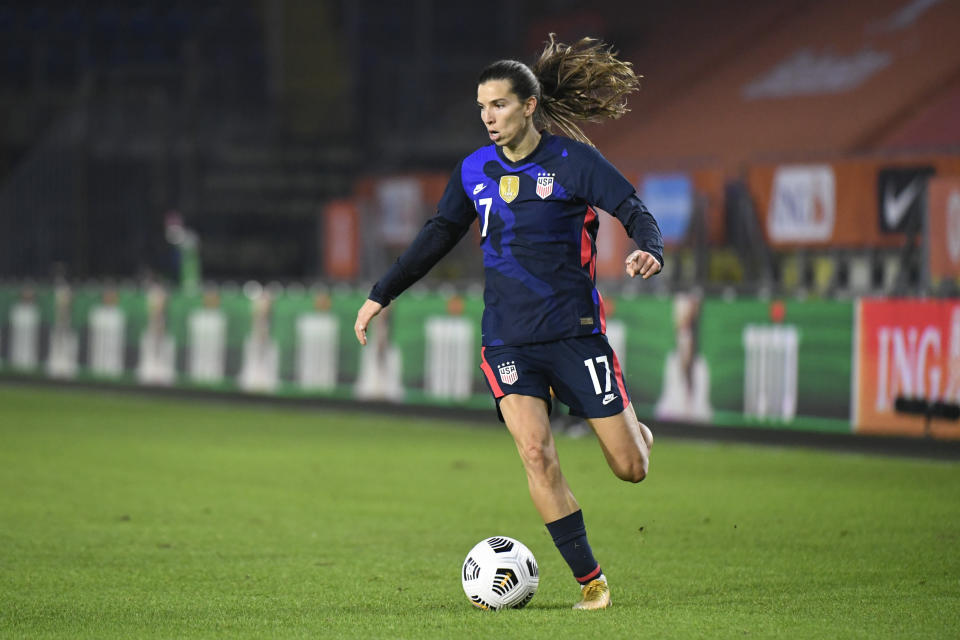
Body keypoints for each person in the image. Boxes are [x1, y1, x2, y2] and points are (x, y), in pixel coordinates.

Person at [354, 34, 662, 610]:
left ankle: (634, 430)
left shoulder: (573, 161)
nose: (488, 117)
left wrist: (649, 249)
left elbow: (634, 209)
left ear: (528, 105)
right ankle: (591, 583)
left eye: (498, 105)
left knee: (631, 469)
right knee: (536, 455)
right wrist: (382, 293)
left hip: (575, 333)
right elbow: (438, 234)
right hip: (508, 339)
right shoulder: (474, 169)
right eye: (481, 107)